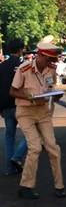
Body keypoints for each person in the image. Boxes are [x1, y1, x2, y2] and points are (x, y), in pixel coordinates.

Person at [9, 40, 66, 199]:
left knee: (53, 147)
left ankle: (59, 186)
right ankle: (26, 186)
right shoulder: (24, 68)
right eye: (48, 59)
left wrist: (56, 95)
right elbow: (13, 91)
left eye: (52, 60)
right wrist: (27, 96)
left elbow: (51, 87)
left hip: (44, 112)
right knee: (35, 147)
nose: (50, 63)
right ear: (40, 55)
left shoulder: (51, 69)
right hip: (26, 112)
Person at [0, 38, 28, 176]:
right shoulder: (22, 66)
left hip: (6, 107)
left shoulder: (2, 66)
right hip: (20, 105)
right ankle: (16, 157)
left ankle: (9, 168)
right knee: (31, 134)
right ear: (20, 50)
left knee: (9, 136)